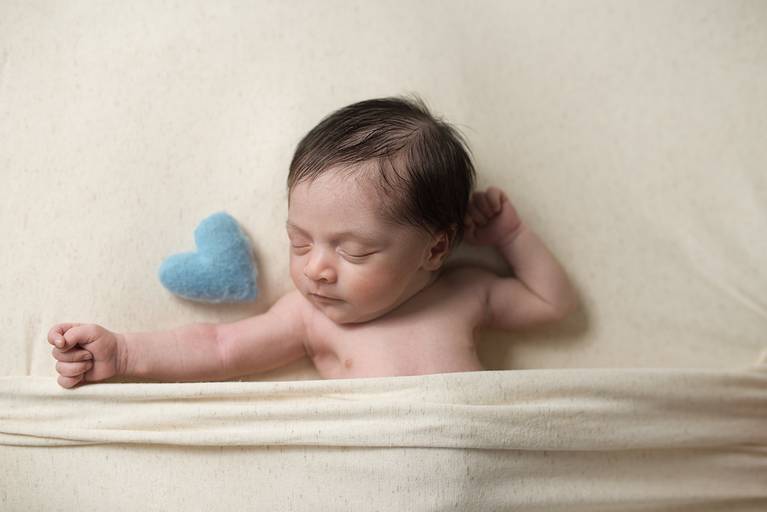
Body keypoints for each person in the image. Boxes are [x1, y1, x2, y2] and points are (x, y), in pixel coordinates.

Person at [48, 94, 578, 388]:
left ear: (435, 250)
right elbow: (218, 347)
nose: (315, 269)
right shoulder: (308, 316)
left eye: (353, 251)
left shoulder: (466, 292)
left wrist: (511, 236)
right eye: (299, 242)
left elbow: (553, 305)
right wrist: (123, 353)